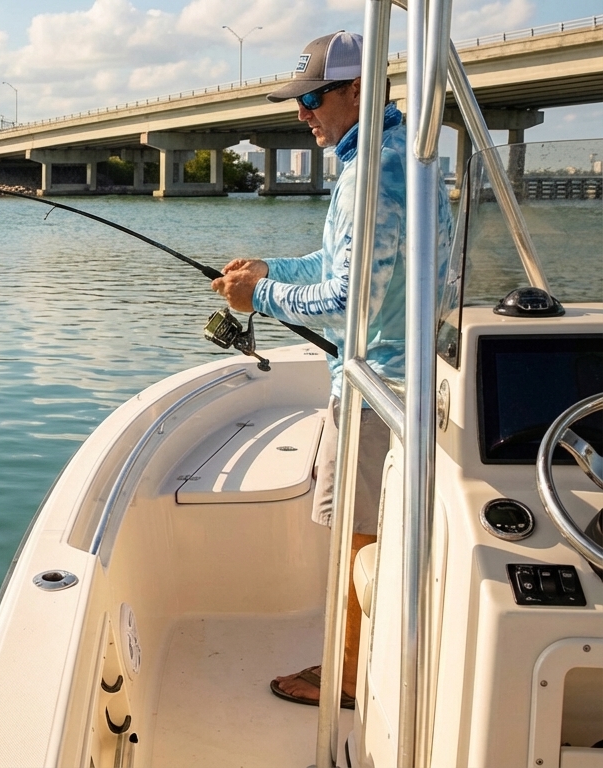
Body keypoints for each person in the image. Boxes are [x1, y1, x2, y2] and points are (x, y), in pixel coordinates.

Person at [211, 30, 452, 708]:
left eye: (313, 98)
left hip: (381, 388)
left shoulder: (378, 170)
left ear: (357, 91)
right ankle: (360, 658)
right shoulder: (392, 156)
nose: (302, 113)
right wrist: (270, 269)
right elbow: (337, 268)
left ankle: (348, 674)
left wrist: (259, 296)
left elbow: (349, 298)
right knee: (363, 529)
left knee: (358, 532)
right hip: (398, 376)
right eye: (299, 101)